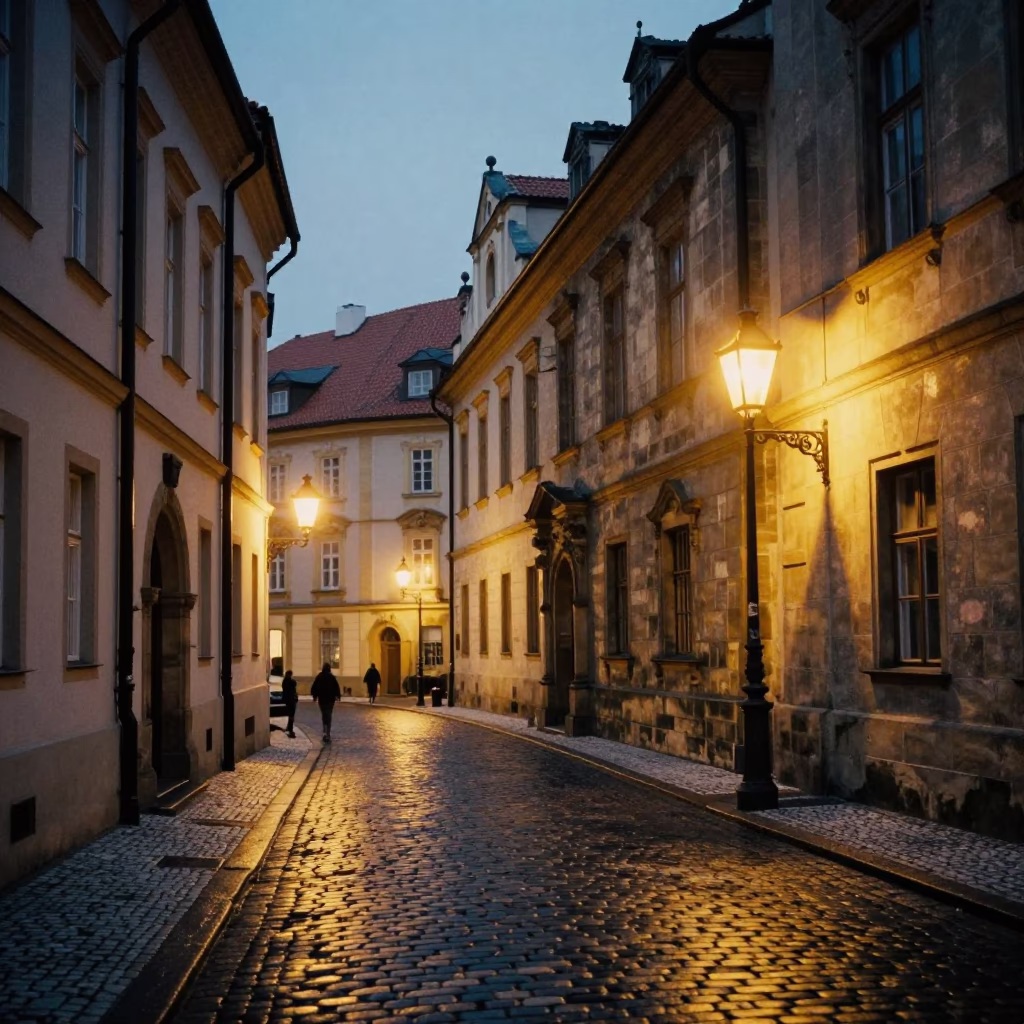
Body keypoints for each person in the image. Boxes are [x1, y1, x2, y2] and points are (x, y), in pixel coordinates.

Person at [310, 661, 341, 743]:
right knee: (329, 715)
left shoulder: (319, 676)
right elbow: (336, 687)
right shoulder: (332, 677)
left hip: (322, 699)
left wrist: (315, 696)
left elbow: (314, 687)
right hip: (330, 700)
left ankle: (325, 729)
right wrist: (338, 696)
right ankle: (328, 733)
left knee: (324, 714)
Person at [282, 670, 298, 738]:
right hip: (291, 700)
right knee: (291, 714)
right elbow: (295, 684)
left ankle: (289, 727)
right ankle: (290, 728)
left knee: (290, 714)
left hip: (288, 700)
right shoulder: (291, 682)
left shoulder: (284, 681)